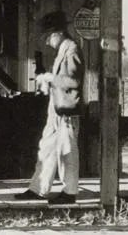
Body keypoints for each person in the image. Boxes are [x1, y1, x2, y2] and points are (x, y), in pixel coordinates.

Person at [15, 10, 82, 205]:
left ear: (58, 32)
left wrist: (50, 78)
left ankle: (70, 193)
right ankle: (38, 189)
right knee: (46, 150)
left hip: (67, 111)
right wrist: (49, 83)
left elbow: (74, 81)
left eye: (47, 37)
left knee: (68, 153)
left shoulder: (72, 49)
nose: (45, 42)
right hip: (56, 110)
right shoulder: (64, 49)